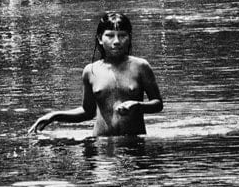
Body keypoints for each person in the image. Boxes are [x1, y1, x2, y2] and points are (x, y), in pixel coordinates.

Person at [30, 12, 162, 138]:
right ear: (100, 38)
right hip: (101, 143)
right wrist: (54, 116)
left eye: (122, 35)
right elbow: (87, 112)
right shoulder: (91, 71)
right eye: (110, 35)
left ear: (129, 37)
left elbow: (157, 104)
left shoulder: (140, 66)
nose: (116, 41)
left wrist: (137, 105)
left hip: (135, 141)